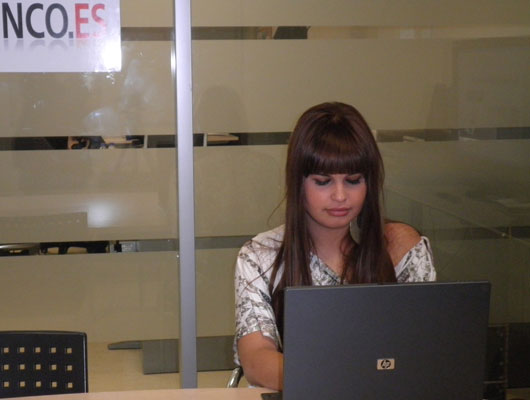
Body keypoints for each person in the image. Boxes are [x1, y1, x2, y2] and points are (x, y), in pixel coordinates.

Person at [234, 102, 436, 390]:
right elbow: (256, 360)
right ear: (297, 182)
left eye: (353, 180)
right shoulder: (260, 256)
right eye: (323, 181)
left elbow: (427, 350)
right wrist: (345, 377)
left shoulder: (400, 248)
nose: (340, 196)